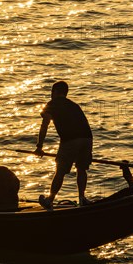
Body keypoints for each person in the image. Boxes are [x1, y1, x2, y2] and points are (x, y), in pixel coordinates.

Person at [34, 81, 93, 209]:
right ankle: (82, 198)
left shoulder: (52, 104)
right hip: (87, 138)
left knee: (60, 171)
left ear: (54, 92)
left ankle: (49, 200)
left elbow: (44, 125)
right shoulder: (74, 105)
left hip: (70, 140)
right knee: (81, 169)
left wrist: (39, 146)